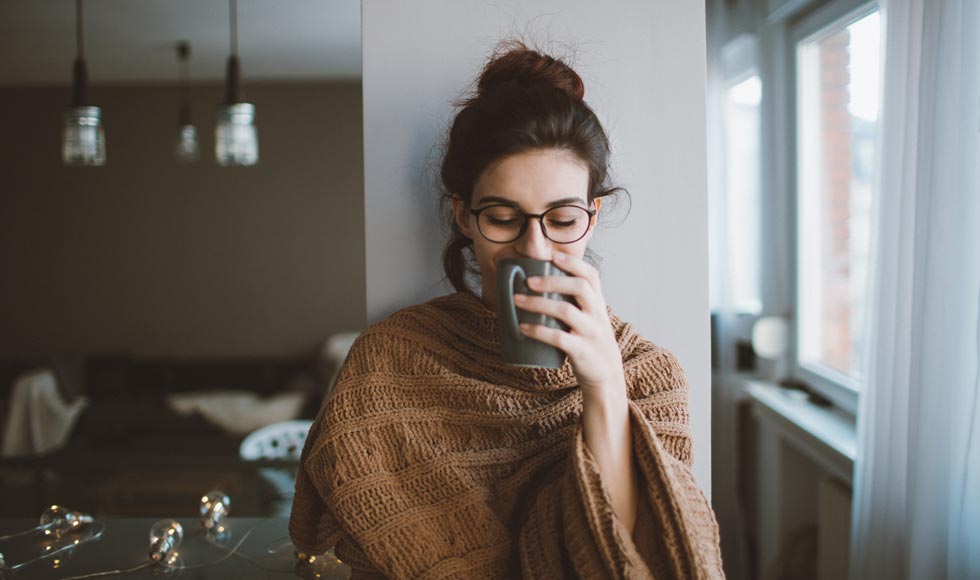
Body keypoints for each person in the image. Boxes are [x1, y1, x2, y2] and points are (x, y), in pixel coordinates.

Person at [289, 42, 725, 579]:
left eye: (562, 220)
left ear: (594, 216)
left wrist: (606, 387)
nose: (535, 248)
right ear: (464, 217)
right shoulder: (389, 358)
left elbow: (648, 561)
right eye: (502, 217)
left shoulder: (649, 377)